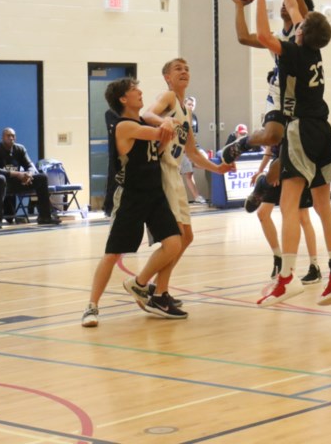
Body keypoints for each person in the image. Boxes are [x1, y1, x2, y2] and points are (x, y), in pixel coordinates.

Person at [254, 0, 331, 307]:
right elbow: (297, 8)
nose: (296, 19)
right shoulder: (314, 49)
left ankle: (286, 278)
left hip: (299, 130)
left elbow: (265, 36)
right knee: (324, 206)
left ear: (299, 32)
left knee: (288, 205)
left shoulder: (293, 52)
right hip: (324, 131)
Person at [82, 77, 181, 327]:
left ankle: (138, 284)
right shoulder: (124, 126)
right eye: (134, 90)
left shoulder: (140, 121)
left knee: (174, 243)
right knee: (113, 253)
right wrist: (168, 119)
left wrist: (164, 134)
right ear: (123, 99)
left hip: (154, 193)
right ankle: (91, 306)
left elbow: (154, 151)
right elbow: (162, 131)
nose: (140, 92)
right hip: (131, 196)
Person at [141, 58, 236, 317]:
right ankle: (146, 287)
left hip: (175, 175)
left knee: (188, 237)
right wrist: (162, 122)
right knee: (177, 237)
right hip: (162, 173)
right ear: (167, 77)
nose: (184, 72)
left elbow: (192, 151)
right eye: (178, 69)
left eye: (187, 69)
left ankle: (160, 290)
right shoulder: (169, 97)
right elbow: (146, 114)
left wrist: (218, 168)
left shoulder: (187, 109)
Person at [219, 0, 314, 164]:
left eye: (285, 1)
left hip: (304, 97)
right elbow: (243, 37)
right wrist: (239, 5)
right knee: (272, 136)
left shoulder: (305, 30)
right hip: (280, 91)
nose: (283, 5)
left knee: (292, 159)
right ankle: (243, 143)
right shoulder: (276, 38)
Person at [247, 143, 323, 285]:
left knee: (303, 217)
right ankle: (278, 258)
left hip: (296, 170)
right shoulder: (271, 125)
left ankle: (315, 267)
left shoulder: (291, 123)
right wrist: (261, 170)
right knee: (262, 213)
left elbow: (292, 146)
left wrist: (277, 168)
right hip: (277, 170)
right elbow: (269, 150)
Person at [0, 128, 61, 229]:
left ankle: (44, 216)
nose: (11, 138)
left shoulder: (20, 149)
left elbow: (30, 166)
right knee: (0, 179)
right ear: (2, 137)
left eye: (13, 136)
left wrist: (28, 174)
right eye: (8, 136)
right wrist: (17, 174)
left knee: (41, 178)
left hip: (12, 183)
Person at [179, 95, 206, 204]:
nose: (191, 106)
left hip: (193, 146)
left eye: (193, 105)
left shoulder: (194, 117)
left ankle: (192, 161)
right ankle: (196, 197)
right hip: (182, 148)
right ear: (184, 104)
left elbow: (194, 135)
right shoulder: (180, 116)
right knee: (189, 173)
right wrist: (185, 149)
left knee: (205, 160)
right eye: (189, 104)